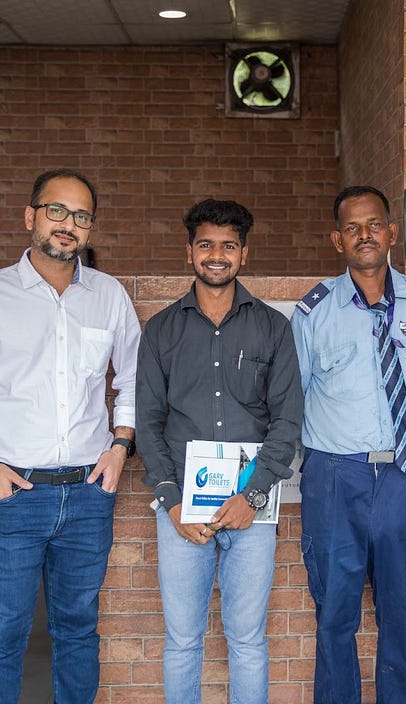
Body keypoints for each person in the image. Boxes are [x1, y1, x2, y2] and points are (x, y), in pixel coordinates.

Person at [0, 168, 140, 704]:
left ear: (91, 228)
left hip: (88, 494)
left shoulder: (109, 296)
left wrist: (121, 445)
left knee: (79, 633)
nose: (68, 224)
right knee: (1, 638)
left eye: (82, 215)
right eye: (57, 211)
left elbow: (135, 378)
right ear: (31, 217)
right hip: (8, 498)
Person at [136, 199, 303, 703]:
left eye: (228, 246)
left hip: (252, 510)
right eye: (206, 244)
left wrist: (250, 498)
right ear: (190, 252)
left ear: (243, 254)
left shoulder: (273, 327)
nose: (216, 255)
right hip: (182, 507)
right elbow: (149, 421)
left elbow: (288, 420)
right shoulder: (162, 330)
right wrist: (171, 500)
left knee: (248, 640)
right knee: (183, 641)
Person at [291, 186, 406, 704]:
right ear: (338, 239)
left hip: (404, 473)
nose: (365, 235)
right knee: (335, 613)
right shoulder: (314, 313)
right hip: (336, 476)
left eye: (374, 225)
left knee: (402, 611)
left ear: (392, 232)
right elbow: (296, 397)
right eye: (352, 228)